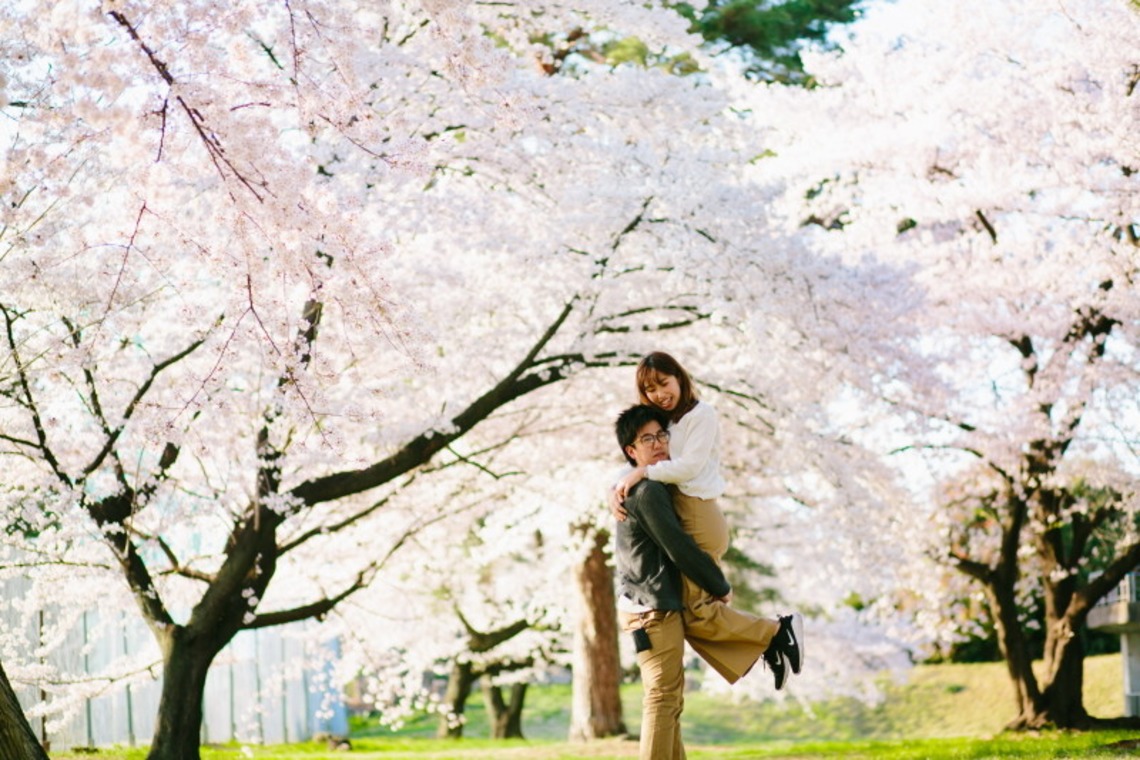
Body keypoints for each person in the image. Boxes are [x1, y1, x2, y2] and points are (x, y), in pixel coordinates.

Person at [612, 351, 804, 690]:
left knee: (698, 610)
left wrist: (642, 473)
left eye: (664, 383)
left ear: (680, 378)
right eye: (650, 389)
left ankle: (776, 632)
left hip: (698, 511)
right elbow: (637, 456)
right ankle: (767, 642)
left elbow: (689, 466)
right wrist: (616, 488)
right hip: (685, 509)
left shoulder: (702, 414)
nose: (659, 394)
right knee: (692, 613)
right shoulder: (664, 422)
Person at [612, 403, 734, 760]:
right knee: (662, 698)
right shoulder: (647, 492)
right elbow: (679, 547)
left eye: (662, 435)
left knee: (669, 700)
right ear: (631, 451)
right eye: (647, 439)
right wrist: (719, 585)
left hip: (650, 605)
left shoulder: (649, 484)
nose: (658, 444)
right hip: (651, 609)